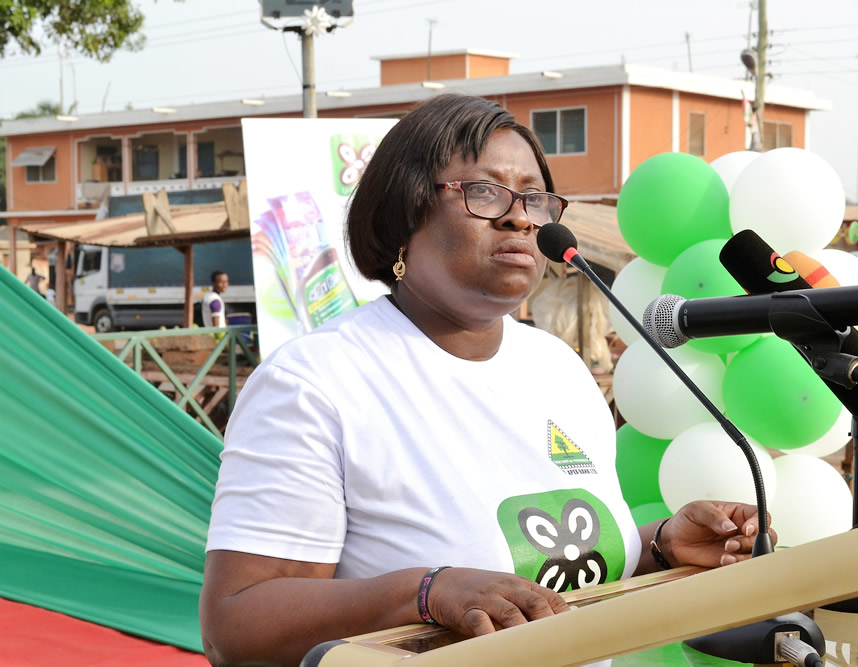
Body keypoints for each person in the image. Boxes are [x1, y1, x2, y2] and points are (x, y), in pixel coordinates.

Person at [199, 94, 776, 667]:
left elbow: (550, 574)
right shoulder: (316, 381)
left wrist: (659, 545)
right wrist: (427, 592)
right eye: (484, 191)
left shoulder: (558, 368)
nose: (518, 216)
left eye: (533, 197)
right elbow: (237, 624)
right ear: (403, 213)